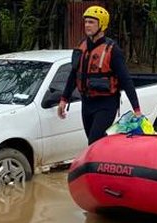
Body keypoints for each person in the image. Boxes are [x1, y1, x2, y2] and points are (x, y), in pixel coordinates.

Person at [57, 5, 142, 144]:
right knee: (96, 143)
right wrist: (64, 100)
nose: (87, 25)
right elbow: (74, 75)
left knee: (94, 142)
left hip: (106, 104)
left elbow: (126, 80)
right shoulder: (81, 46)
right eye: (86, 22)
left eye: (91, 22)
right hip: (87, 103)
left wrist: (136, 109)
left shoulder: (113, 50)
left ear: (101, 25)